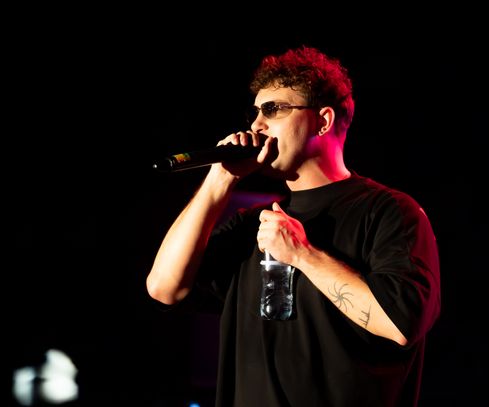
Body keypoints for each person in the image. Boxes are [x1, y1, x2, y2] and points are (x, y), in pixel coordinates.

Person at [146, 45, 441, 406]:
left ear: (323, 121)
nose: (257, 125)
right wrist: (219, 180)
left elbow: (399, 325)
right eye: (256, 112)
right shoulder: (251, 223)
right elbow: (163, 288)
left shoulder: (390, 213)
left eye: (274, 109)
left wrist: (302, 254)